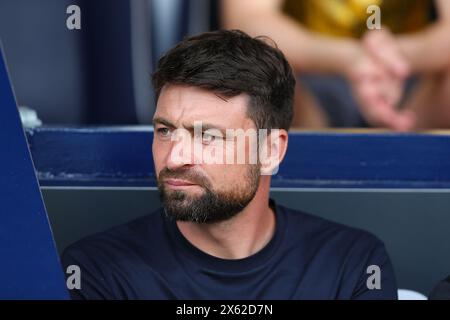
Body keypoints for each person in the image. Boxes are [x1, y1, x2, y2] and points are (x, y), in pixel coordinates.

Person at [62, 30, 397, 300]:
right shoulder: (98, 272)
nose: (175, 158)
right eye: (164, 130)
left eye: (207, 135)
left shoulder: (349, 265)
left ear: (270, 150)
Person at [221, 0, 450, 130]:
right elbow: (247, 21)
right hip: (306, 85)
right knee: (256, 69)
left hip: (415, 82)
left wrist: (398, 56)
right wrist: (351, 59)